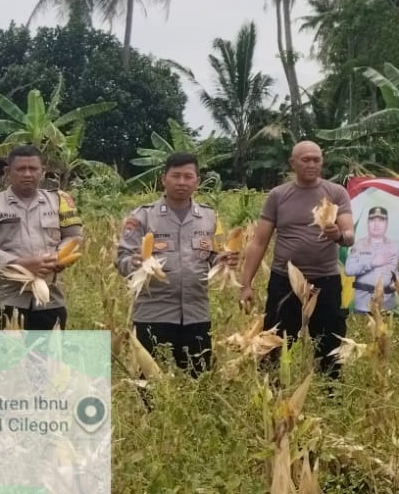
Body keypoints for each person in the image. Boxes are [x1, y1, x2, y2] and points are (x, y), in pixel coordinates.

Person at [239, 140, 354, 375]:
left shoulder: (336, 193)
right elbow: (259, 242)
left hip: (326, 281)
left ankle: (329, 390)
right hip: (285, 281)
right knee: (274, 343)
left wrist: (338, 235)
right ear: (293, 163)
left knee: (330, 345)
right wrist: (246, 284)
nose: (311, 164)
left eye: (316, 160)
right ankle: (271, 389)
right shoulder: (278, 195)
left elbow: (349, 235)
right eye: (305, 160)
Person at [117, 152, 235, 374]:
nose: (182, 182)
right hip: (153, 313)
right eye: (176, 176)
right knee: (148, 382)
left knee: (198, 380)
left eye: (188, 177)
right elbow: (122, 259)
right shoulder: (142, 216)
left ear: (197, 181)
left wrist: (223, 261)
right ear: (164, 179)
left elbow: (212, 255)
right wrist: (134, 261)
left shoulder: (209, 217)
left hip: (196, 314)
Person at [0, 145, 82, 330]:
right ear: (7, 172)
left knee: (48, 350)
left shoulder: (60, 201)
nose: (27, 174)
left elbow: (74, 238)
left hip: (48, 302)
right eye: (20, 169)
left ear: (42, 171)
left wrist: (58, 258)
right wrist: (21, 264)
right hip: (1, 301)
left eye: (33, 168)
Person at [344, 204, 399, 314]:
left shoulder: (396, 246)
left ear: (387, 223)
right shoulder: (358, 245)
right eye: (372, 220)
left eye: (381, 220)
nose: (376, 224)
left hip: (388, 306)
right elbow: (348, 270)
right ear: (368, 223)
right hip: (363, 306)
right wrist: (371, 263)